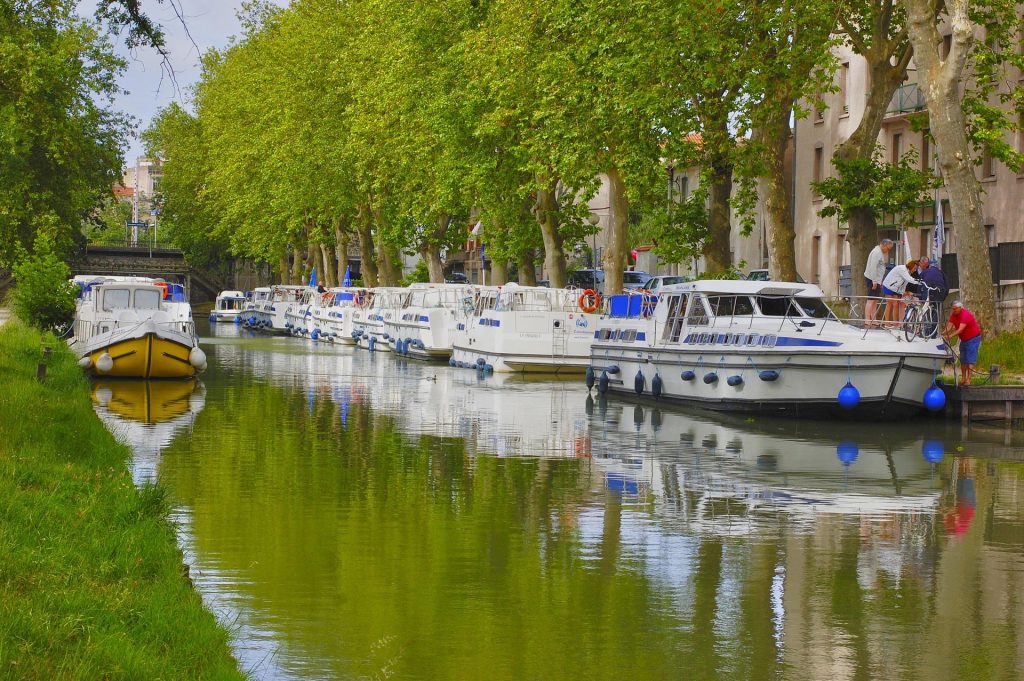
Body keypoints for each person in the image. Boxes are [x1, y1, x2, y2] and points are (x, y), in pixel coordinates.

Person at [943, 300, 982, 384]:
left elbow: (960, 329)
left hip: (973, 338)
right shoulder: (954, 314)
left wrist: (950, 336)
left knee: (970, 360)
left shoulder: (965, 315)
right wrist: (942, 334)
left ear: (960, 308)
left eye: (955, 309)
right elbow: (949, 327)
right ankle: (963, 378)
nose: (953, 310)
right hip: (964, 339)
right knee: (963, 359)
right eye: (953, 309)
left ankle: (969, 379)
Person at [864, 238, 894, 328]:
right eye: (888, 248)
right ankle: (867, 319)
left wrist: (879, 281)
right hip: (872, 279)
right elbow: (873, 267)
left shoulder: (880, 252)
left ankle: (874, 319)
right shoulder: (877, 252)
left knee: (875, 300)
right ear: (884, 245)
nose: (888, 250)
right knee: (871, 299)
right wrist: (874, 281)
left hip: (877, 279)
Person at [882, 258, 920, 326]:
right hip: (889, 286)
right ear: (911, 266)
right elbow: (908, 279)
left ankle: (895, 323)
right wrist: (919, 282)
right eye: (915, 268)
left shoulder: (908, 272)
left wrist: (902, 293)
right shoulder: (902, 269)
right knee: (890, 304)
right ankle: (887, 323)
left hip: (896, 289)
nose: (915, 270)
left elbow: (904, 284)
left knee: (896, 304)